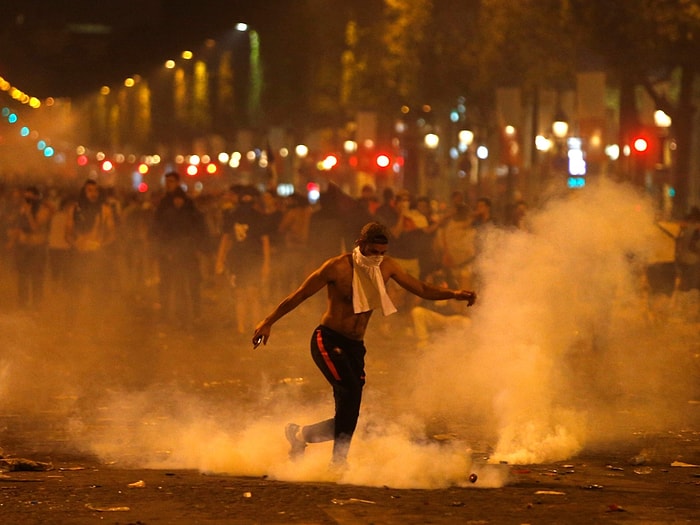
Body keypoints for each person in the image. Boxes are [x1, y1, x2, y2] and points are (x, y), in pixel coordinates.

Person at [252, 221, 476, 467]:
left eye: (382, 253)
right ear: (360, 244)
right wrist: (268, 321)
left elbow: (421, 288)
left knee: (349, 414)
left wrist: (453, 294)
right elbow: (300, 295)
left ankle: (299, 435)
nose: (378, 257)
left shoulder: (387, 267)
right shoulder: (337, 267)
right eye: (373, 251)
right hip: (327, 340)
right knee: (350, 392)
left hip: (355, 346)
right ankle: (339, 462)